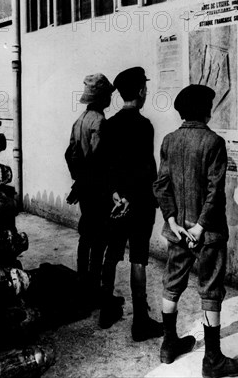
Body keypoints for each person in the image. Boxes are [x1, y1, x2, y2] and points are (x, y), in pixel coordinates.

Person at [154, 84, 238, 378]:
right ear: (206, 111)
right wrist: (199, 226)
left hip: (177, 232)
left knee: (172, 284)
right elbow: (215, 191)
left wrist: (172, 221)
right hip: (206, 234)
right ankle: (212, 360)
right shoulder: (214, 142)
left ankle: (169, 345)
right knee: (210, 290)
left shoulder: (169, 141)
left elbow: (161, 185)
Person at [98, 67, 164, 342]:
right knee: (138, 259)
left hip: (116, 203)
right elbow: (147, 170)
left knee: (111, 254)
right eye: (145, 88)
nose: (146, 92)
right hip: (139, 204)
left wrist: (115, 195)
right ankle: (140, 322)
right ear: (139, 91)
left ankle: (105, 311)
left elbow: (105, 167)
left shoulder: (109, 125)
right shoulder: (144, 125)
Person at [65, 73, 114, 310]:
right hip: (98, 190)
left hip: (84, 189)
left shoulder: (79, 120)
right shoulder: (100, 123)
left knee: (86, 236)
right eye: (108, 96)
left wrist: (78, 179)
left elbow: (70, 154)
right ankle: (93, 289)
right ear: (102, 98)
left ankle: (82, 283)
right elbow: (99, 158)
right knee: (99, 240)